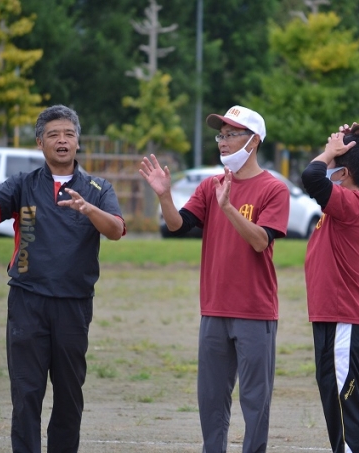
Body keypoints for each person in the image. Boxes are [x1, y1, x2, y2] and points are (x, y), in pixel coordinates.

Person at [0, 104, 126, 453]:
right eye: (53, 135)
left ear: (78, 141)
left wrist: (88, 209)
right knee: (26, 392)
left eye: (68, 134)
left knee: (69, 394)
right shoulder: (22, 184)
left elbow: (115, 230)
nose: (62, 140)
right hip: (27, 301)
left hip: (73, 305)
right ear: (40, 143)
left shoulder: (98, 188)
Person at [139, 105, 290, 453]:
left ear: (253, 141)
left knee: (255, 401)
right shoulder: (211, 185)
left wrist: (228, 208)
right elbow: (178, 226)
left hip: (255, 311)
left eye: (231, 134)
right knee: (210, 399)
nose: (222, 141)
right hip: (214, 309)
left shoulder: (274, 189)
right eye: (220, 135)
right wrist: (164, 195)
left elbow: (260, 241)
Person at [301, 128, 359, 453]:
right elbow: (315, 179)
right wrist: (343, 142)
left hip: (343, 320)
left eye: (332, 161)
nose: (326, 163)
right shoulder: (347, 205)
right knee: (338, 409)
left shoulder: (354, 204)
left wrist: (331, 151)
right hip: (333, 319)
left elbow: (311, 176)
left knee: (348, 413)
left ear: (344, 173)